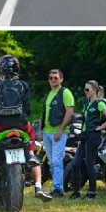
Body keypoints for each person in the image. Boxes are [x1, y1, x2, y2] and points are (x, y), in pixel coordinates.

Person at [0, 55, 52, 201]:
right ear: (17, 68)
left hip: (0, 125)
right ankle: (31, 154)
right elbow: (28, 108)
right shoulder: (23, 85)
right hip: (21, 125)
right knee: (31, 132)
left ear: (0, 69)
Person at [69, 80, 106, 200]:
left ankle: (92, 192)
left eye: (87, 89)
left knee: (89, 164)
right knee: (75, 163)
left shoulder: (99, 104)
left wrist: (100, 127)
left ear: (95, 90)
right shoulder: (87, 104)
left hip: (93, 136)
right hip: (85, 136)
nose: (85, 91)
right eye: (84, 89)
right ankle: (76, 192)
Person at [41, 69, 75, 197]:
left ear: (61, 79)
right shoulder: (49, 93)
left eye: (55, 77)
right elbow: (43, 113)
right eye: (50, 78)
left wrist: (61, 130)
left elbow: (70, 111)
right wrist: (41, 129)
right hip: (47, 133)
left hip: (58, 133)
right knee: (51, 162)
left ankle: (58, 189)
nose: (53, 80)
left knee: (56, 161)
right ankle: (57, 187)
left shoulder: (65, 92)